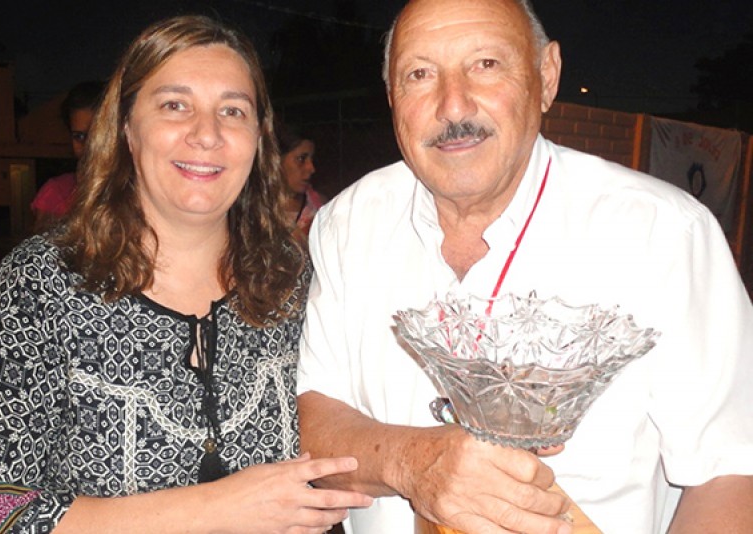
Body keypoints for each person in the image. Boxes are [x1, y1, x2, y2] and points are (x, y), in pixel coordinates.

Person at [296, 0, 753, 533]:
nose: (452, 105)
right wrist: (412, 463)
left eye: (485, 64)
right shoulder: (348, 223)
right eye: (419, 74)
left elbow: (733, 469)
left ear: (547, 76)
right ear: (392, 96)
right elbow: (314, 415)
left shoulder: (662, 233)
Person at [0, 15, 372, 533]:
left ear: (258, 139)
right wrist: (215, 509)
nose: (207, 134)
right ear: (126, 129)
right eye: (175, 105)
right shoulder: (44, 282)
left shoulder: (294, 282)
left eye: (233, 111)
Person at [30, 80, 104, 231]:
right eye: (79, 137)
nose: (89, 147)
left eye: (97, 136)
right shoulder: (57, 193)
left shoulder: (140, 190)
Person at [277, 121, 326, 238]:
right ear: (275, 161)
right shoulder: (255, 210)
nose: (311, 168)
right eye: (301, 159)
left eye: (311, 159)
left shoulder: (319, 206)